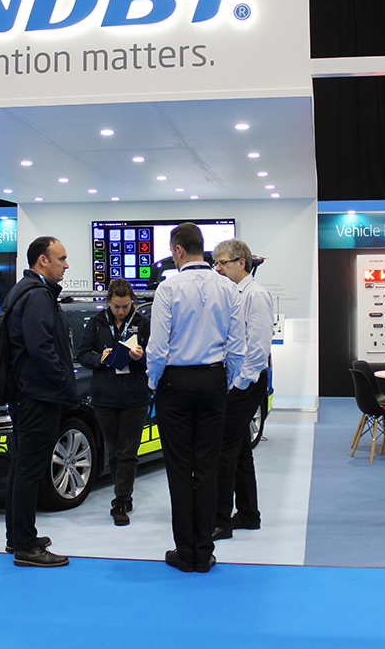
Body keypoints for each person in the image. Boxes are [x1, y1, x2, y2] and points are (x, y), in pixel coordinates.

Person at [147, 223, 245, 573]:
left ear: (177, 250)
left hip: (175, 382)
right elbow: (237, 347)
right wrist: (224, 381)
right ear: (201, 248)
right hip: (214, 380)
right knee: (207, 468)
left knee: (178, 469)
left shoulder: (168, 288)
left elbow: (157, 347)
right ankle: (204, 551)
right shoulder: (227, 288)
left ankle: (184, 551)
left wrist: (154, 382)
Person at [5, 236, 77, 567]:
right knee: (29, 469)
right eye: (60, 258)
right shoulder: (36, 297)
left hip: (27, 395)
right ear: (42, 261)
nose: (65, 265)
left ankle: (18, 536)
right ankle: (25, 546)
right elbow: (41, 346)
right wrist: (62, 380)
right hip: (37, 396)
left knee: (22, 466)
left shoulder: (26, 291)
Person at [212, 239, 273, 540]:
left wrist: (239, 385)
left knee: (224, 448)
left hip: (246, 382)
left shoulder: (255, 295)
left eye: (223, 262)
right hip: (235, 380)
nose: (218, 268)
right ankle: (249, 514)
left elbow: (259, 346)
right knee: (239, 449)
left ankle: (220, 520)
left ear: (242, 263)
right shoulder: (231, 294)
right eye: (217, 263)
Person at [77, 279, 150, 526]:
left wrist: (141, 356)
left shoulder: (143, 324)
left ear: (132, 302)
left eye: (125, 306)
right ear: (109, 302)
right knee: (115, 450)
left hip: (135, 396)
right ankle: (123, 494)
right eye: (117, 307)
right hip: (105, 397)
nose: (121, 311)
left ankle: (121, 500)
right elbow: (83, 354)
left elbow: (157, 356)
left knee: (128, 451)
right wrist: (101, 358)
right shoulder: (97, 324)